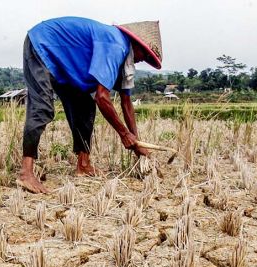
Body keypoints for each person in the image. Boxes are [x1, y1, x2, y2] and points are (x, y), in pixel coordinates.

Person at [18, 17, 163, 193]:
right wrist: (124, 134)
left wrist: (136, 142)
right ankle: (26, 173)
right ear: (136, 44)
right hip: (42, 43)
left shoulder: (125, 58)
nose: (143, 61)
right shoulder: (116, 46)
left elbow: (126, 102)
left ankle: (83, 165)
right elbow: (102, 97)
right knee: (42, 108)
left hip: (68, 66)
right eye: (146, 55)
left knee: (85, 107)